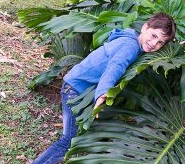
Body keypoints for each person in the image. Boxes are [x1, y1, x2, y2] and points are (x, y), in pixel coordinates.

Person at [32, 12, 176, 164]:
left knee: (73, 136)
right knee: (68, 140)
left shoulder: (130, 37)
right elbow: (114, 68)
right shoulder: (130, 47)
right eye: (153, 36)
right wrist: (102, 94)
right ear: (145, 28)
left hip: (76, 84)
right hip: (74, 89)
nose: (154, 44)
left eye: (160, 42)